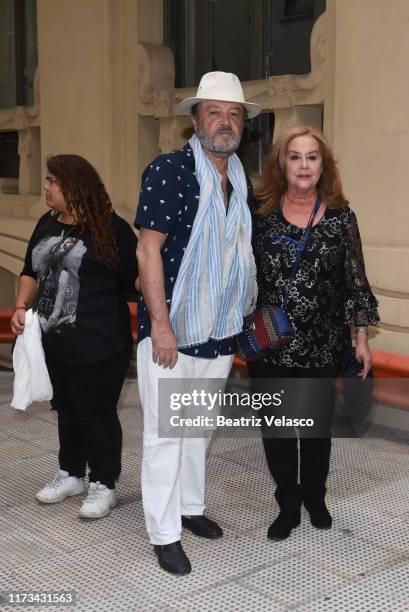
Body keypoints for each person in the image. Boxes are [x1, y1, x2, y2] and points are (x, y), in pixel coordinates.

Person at [135, 71, 261, 574]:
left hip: (219, 329)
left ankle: (189, 508)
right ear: (195, 120)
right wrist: (161, 326)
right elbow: (148, 249)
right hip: (173, 331)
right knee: (166, 433)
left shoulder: (240, 178)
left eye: (234, 115)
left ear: (242, 126)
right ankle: (163, 532)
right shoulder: (170, 171)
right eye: (215, 112)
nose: (225, 123)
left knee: (197, 428)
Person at [248, 126, 379, 541]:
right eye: (295, 156)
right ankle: (287, 503)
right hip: (270, 343)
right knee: (278, 428)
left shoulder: (341, 218)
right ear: (281, 164)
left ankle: (315, 497)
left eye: (312, 157)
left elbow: (355, 283)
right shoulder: (260, 215)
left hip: (322, 343)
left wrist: (360, 340)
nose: (303, 165)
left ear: (324, 165)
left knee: (315, 428)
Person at [10, 155, 138, 519]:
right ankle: (70, 474)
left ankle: (103, 483)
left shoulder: (111, 229)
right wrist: (21, 305)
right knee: (66, 410)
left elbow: (136, 279)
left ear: (75, 186)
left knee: (96, 414)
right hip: (55, 341)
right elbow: (28, 271)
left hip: (100, 342)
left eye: (52, 181)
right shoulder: (46, 223)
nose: (46, 188)